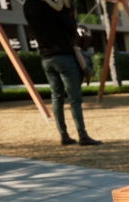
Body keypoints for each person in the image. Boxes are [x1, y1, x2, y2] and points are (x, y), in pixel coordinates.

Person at [23, 0, 101, 146]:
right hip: (64, 57)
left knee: (56, 98)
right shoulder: (54, 8)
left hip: (46, 58)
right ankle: (82, 135)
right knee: (75, 99)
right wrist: (68, 14)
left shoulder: (28, 6)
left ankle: (64, 135)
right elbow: (71, 30)